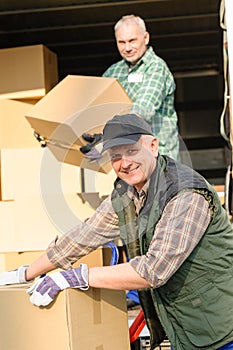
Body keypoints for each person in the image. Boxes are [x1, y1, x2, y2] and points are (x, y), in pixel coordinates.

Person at [1, 113, 233, 350]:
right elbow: (86, 235)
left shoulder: (186, 194)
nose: (124, 163)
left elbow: (153, 270)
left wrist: (78, 276)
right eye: (115, 157)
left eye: (132, 151)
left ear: (152, 146)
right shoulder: (128, 193)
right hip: (185, 330)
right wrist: (25, 273)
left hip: (220, 328)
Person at [103, 14, 180, 161]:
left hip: (158, 155)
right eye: (121, 42)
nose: (127, 48)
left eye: (132, 41)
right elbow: (99, 104)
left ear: (146, 38)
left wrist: (108, 132)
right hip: (127, 155)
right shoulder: (113, 72)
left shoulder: (156, 67)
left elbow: (143, 108)